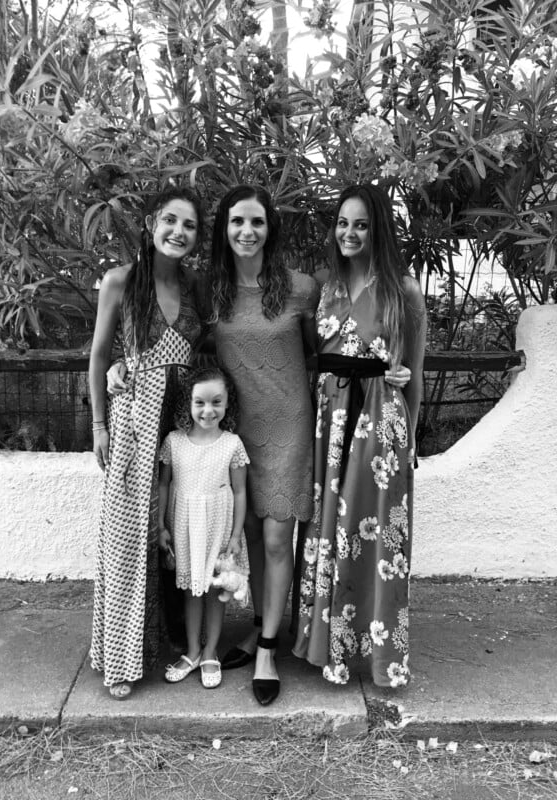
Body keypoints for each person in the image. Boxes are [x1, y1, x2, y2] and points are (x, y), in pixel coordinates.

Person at [292, 183, 426, 689]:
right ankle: (328, 645)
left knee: (369, 537)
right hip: (330, 424)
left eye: (361, 224)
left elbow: (414, 372)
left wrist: (410, 441)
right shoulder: (322, 286)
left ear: (379, 230)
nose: (349, 233)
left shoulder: (404, 292)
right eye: (342, 223)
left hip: (378, 428)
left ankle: (375, 652)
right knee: (331, 532)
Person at [88, 186, 204, 699]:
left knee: (177, 534)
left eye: (191, 225)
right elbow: (97, 357)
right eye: (171, 221)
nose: (179, 232)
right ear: (152, 224)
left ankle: (171, 642)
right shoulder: (120, 282)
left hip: (184, 426)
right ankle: (120, 658)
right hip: (135, 424)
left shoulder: (196, 287)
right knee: (129, 541)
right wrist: (98, 425)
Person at [209, 185, 320, 705]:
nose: (246, 232)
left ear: (270, 227)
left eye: (256, 221)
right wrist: (119, 365)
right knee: (251, 534)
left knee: (278, 539)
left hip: (290, 425)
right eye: (237, 222)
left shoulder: (301, 288)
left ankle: (269, 650)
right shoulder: (212, 291)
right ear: (224, 229)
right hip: (238, 432)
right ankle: (258, 625)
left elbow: (328, 350)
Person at [157, 366, 249, 689]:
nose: (208, 411)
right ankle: (193, 651)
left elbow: (239, 491)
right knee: (191, 591)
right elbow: (164, 485)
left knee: (214, 591)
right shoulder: (174, 442)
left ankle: (211, 651)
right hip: (185, 528)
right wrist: (161, 525)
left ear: (227, 404)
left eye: (216, 402)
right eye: (200, 402)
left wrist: (236, 536)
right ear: (189, 403)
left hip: (219, 527)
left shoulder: (232, 444)